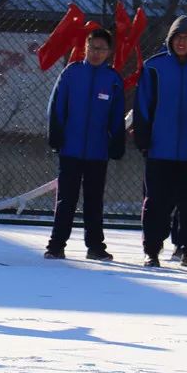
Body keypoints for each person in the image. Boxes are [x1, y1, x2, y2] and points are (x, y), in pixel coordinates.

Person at [133, 15, 187, 269]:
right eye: (177, 38)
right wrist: (144, 135)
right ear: (170, 40)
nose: (182, 42)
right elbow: (143, 105)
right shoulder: (154, 67)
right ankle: (152, 250)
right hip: (160, 148)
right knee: (155, 202)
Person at [44, 28, 125, 260]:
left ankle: (95, 246)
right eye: (92, 48)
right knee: (66, 199)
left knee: (94, 201)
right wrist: (56, 134)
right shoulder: (71, 73)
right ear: (85, 48)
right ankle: (56, 245)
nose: (96, 53)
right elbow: (57, 106)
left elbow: (116, 115)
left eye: (101, 49)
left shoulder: (112, 80)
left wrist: (117, 140)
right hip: (70, 148)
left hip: (98, 152)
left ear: (109, 52)